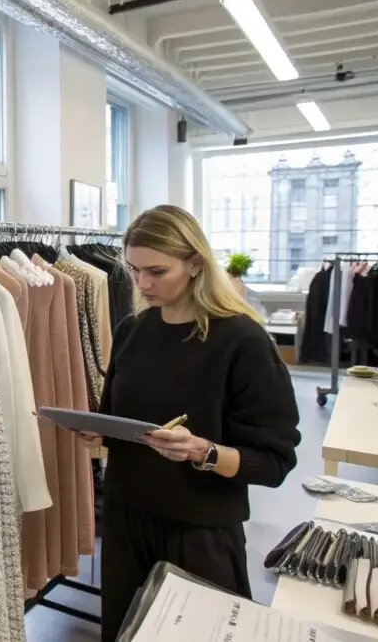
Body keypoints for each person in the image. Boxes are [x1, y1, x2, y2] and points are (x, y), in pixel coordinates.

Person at [79, 204, 301, 642]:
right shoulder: (132, 330)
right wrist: (98, 430)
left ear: (196, 263)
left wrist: (204, 450)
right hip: (125, 524)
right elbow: (116, 417)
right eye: (134, 269)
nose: (142, 284)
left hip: (200, 530)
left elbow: (275, 461)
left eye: (157, 271)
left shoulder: (243, 341)